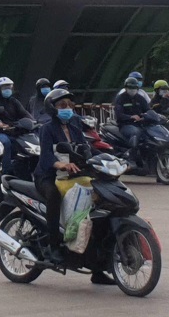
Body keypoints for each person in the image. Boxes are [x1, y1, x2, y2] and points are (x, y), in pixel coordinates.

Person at [32, 88, 114, 285]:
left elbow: (86, 147)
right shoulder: (47, 129)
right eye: (62, 106)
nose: (67, 109)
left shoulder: (76, 123)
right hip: (49, 176)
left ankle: (97, 269)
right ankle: (53, 245)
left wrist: (109, 157)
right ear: (52, 109)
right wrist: (62, 164)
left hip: (75, 173)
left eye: (69, 105)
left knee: (97, 205)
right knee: (53, 197)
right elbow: (46, 157)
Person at [0, 77, 27, 174]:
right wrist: (0, 124)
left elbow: (24, 113)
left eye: (9, 87)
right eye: (4, 88)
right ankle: (6, 171)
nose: (7, 90)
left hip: (14, 130)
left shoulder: (14, 101)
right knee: (6, 142)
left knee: (25, 142)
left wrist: (34, 121)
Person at [114, 77, 149, 161]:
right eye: (130, 88)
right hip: (125, 125)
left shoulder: (140, 98)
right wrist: (131, 117)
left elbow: (148, 109)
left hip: (140, 124)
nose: (132, 90)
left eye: (134, 88)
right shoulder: (121, 98)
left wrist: (147, 115)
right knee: (135, 132)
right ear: (126, 88)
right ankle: (131, 157)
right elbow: (119, 114)